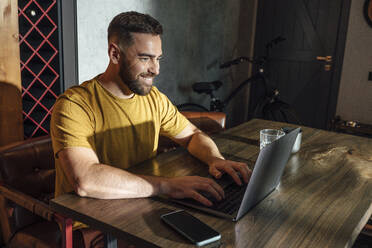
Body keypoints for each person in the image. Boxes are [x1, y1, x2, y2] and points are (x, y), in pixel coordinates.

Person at [51, 11, 250, 247]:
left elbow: (193, 136)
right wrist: (166, 185)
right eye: (145, 58)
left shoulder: (153, 99)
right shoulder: (74, 105)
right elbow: (86, 180)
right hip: (92, 225)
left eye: (159, 59)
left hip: (142, 207)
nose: (156, 70)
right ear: (115, 54)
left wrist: (215, 159)